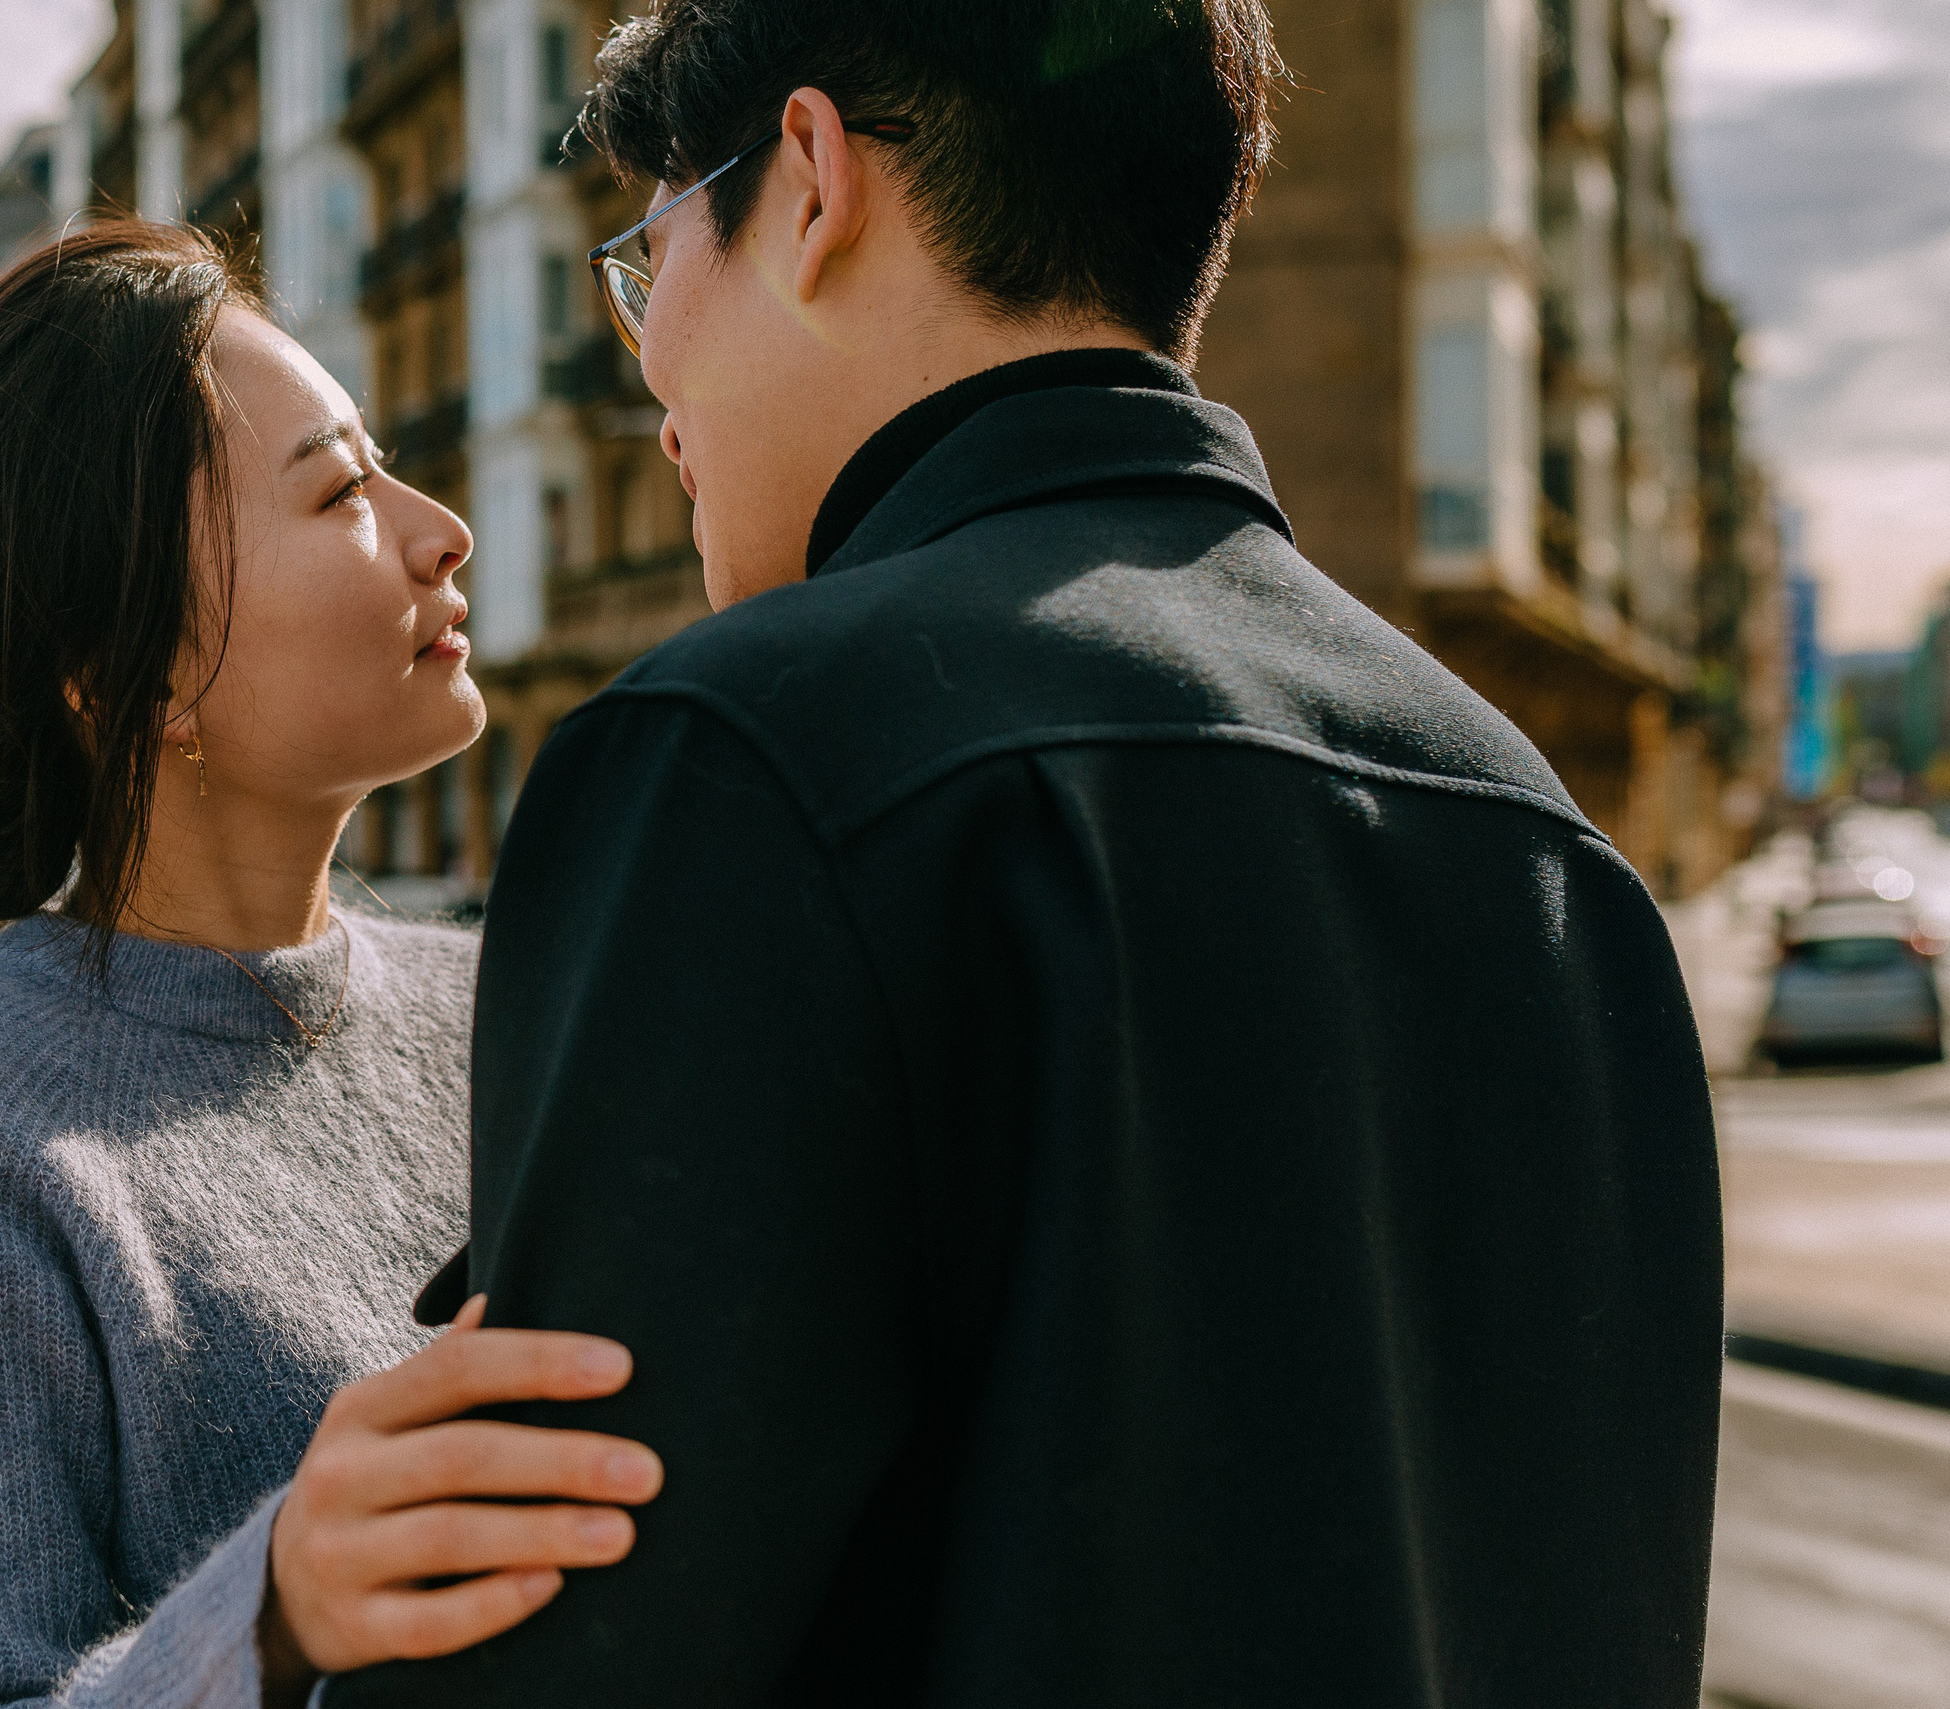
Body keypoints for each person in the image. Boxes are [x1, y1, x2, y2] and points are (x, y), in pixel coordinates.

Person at [319, 2, 1724, 1704]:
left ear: (817, 180)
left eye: (650, 255)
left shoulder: (753, 754)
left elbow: (556, 1661)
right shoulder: (1552, 854)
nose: (651, 361)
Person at [0, 223, 665, 1709]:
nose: (442, 527)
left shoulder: (504, 1008)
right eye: (343, 489)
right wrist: (274, 1605)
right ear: (128, 667)